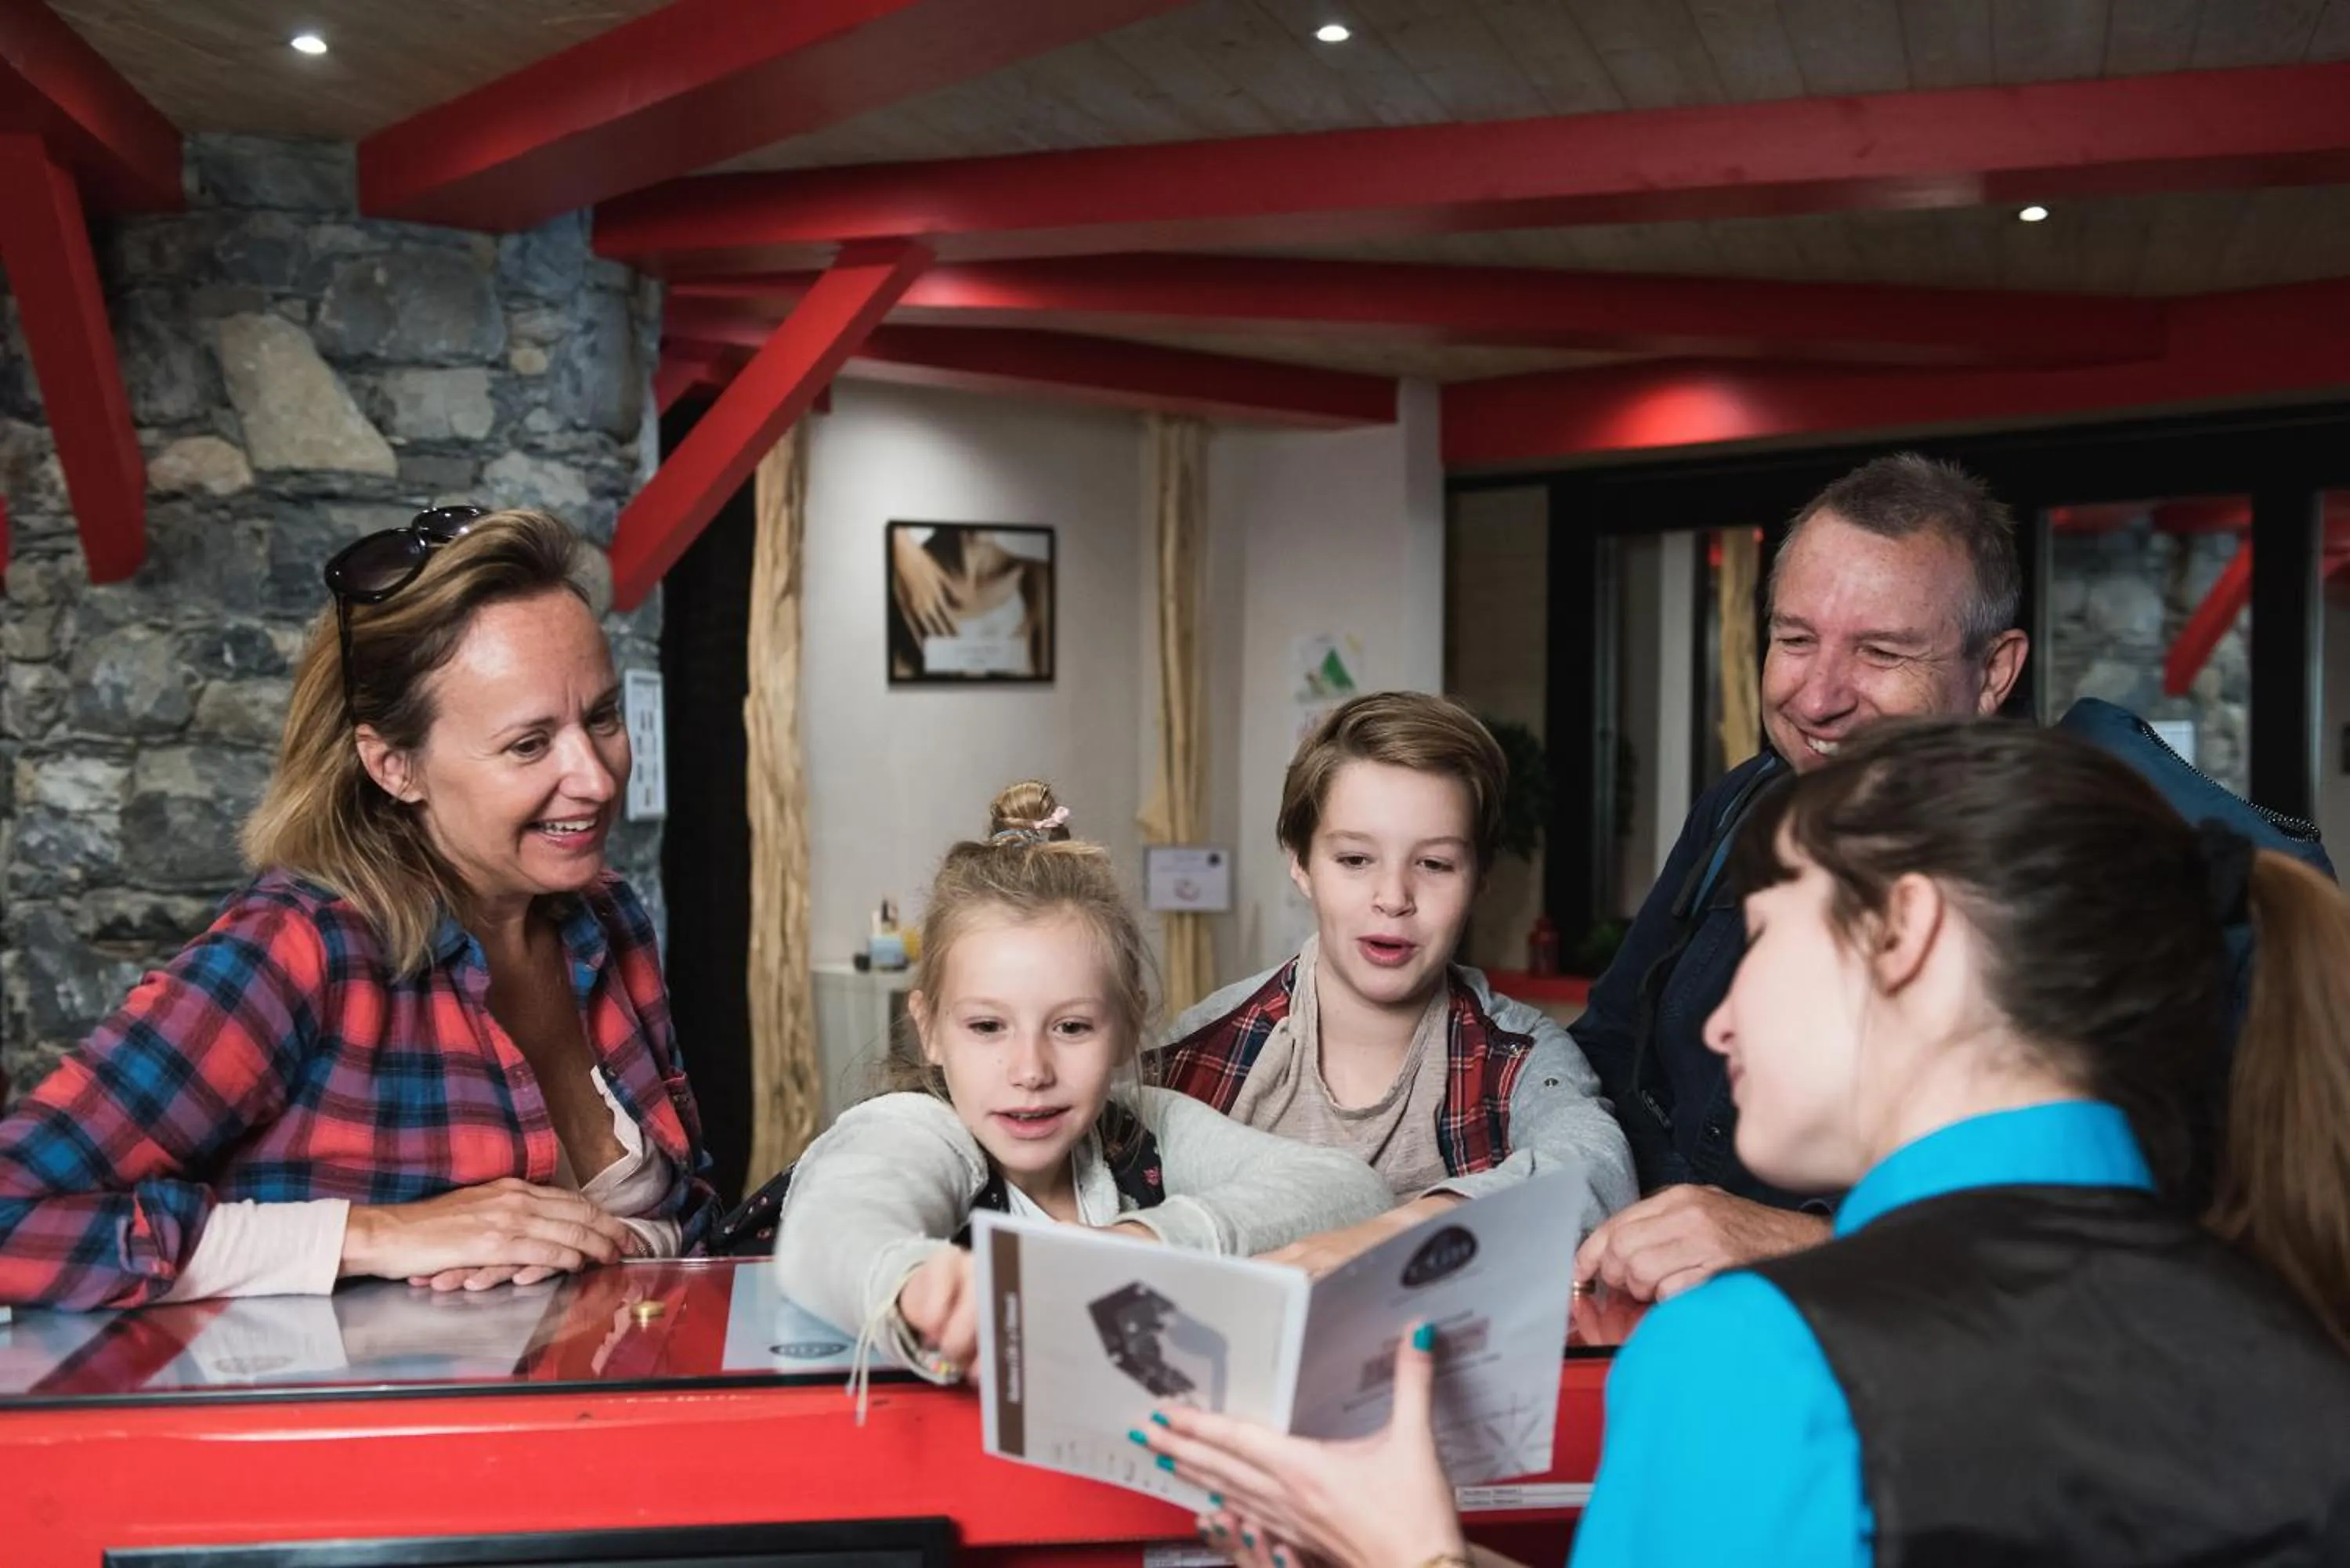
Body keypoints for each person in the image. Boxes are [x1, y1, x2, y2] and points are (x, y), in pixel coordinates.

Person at [1141, 717, 2350, 1568]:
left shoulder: (1760, 1359)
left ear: (1905, 933)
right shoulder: (2299, 1326)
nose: (1716, 1019)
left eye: (1763, 935)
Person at [1572, 453, 2332, 1302]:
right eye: (1794, 639)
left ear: (1995, 672)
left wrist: (1812, 1245)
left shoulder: (2087, 877)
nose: (1818, 697)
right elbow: (1606, 1050)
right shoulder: (1741, 808)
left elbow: (2187, 1241)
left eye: (1881, 652)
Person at [0, 507, 714, 1310]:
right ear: (393, 766)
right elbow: (11, 1213)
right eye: (528, 744)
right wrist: (374, 1235)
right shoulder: (297, 948)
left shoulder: (608, 917)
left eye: (603, 718)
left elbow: (687, 1221)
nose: (596, 777)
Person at [771, 782, 1394, 1384]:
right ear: (929, 1029)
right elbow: (829, 1225)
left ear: (1126, 1029)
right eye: (987, 1027)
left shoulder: (1142, 1130)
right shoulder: (917, 1128)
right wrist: (912, 1284)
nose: (1031, 1071)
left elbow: (1352, 1191)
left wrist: (1145, 1240)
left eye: (1071, 1027)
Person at [1158, 693, 1634, 1275]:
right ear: (1300, 862)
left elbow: (1599, 1170)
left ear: (1480, 878)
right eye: (1356, 860)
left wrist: (1399, 1233)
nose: (1393, 898)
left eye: (1434, 865)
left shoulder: (1521, 1057)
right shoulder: (1196, 1051)